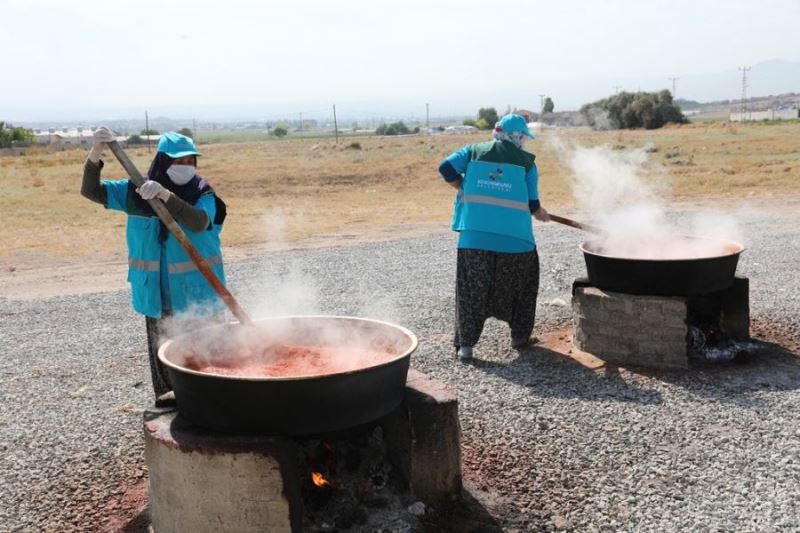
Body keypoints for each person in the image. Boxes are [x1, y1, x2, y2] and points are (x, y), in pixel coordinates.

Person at [81, 128, 227, 403]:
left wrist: (166, 197)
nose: (185, 167)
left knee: (210, 358)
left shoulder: (202, 193)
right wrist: (96, 154)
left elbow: (198, 222)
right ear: (162, 161)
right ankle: (173, 410)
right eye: (178, 161)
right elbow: (90, 191)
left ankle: (215, 405)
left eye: (189, 161)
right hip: (157, 296)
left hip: (200, 295)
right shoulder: (136, 193)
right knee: (166, 360)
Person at [438, 114, 550, 362]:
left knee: (470, 292)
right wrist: (541, 214)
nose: (525, 142)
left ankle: (465, 347)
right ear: (517, 136)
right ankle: (520, 337)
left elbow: (445, 168)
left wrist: (462, 185)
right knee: (521, 288)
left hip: (473, 240)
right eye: (524, 137)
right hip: (517, 243)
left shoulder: (472, 152)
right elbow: (533, 205)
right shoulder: (528, 164)